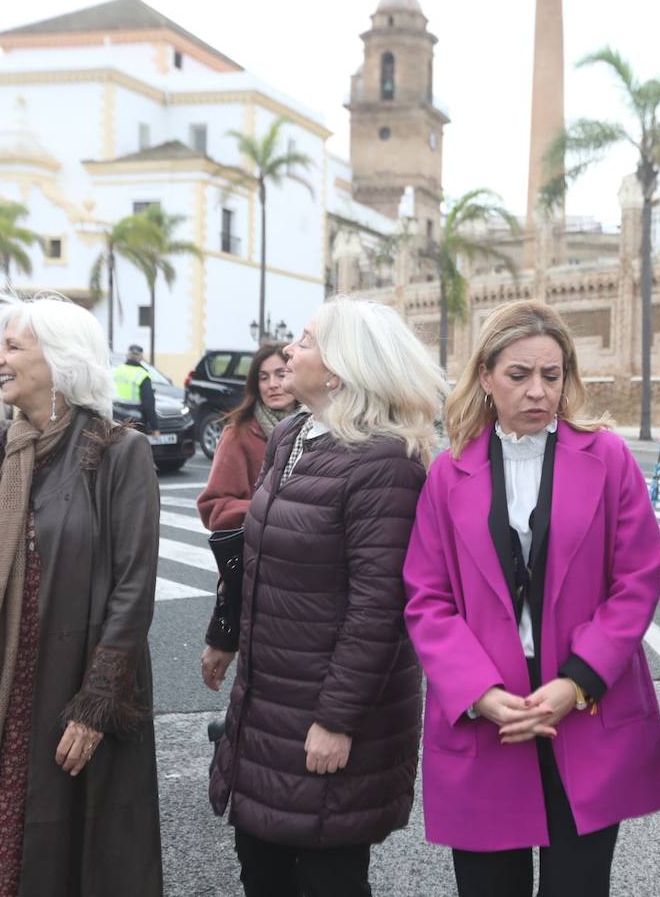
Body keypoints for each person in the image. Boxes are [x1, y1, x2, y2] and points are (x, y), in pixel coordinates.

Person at [403, 300, 660, 897]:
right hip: (488, 716)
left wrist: (576, 681)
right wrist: (479, 692)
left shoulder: (608, 459)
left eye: (550, 376)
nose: (538, 391)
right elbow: (427, 598)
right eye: (519, 375)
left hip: (582, 707)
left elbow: (637, 580)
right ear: (485, 378)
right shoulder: (448, 475)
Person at [0, 292, 163, 897]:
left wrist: (96, 702)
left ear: (61, 360)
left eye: (13, 346)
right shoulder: (0, 448)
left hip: (63, 684)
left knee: (55, 849)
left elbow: (133, 588)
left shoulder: (117, 451)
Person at [208, 297, 444, 897]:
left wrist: (337, 721)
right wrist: (226, 633)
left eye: (306, 341)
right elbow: (258, 553)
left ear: (340, 368)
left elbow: (379, 606)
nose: (289, 350)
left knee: (326, 876)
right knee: (261, 868)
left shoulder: (385, 462)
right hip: (269, 699)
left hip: (329, 712)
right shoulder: (292, 434)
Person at [197, 341, 294, 678]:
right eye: (264, 377)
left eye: (280, 374)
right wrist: (278, 511)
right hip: (254, 572)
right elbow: (214, 508)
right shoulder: (238, 434)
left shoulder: (319, 429)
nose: (272, 384)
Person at [113, 343, 158, 438]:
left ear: (127, 355)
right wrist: (155, 428)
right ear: (141, 357)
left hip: (115, 419)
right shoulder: (142, 375)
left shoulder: (116, 371)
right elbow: (149, 404)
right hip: (135, 422)